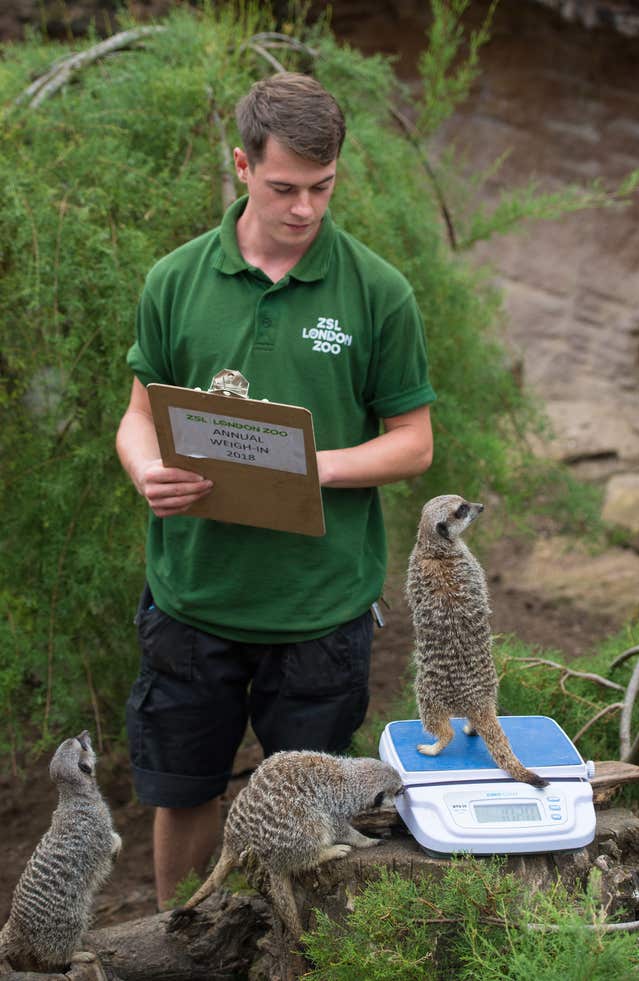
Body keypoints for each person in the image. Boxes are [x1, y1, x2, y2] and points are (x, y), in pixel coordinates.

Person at [116, 72, 436, 908]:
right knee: (182, 789)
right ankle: (181, 944)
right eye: (284, 186)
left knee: (319, 810)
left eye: (322, 188)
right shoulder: (176, 280)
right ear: (242, 165)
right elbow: (137, 415)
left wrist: (311, 463)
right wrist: (145, 468)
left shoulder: (377, 291)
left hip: (318, 614)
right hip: (192, 602)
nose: (304, 209)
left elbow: (414, 444)